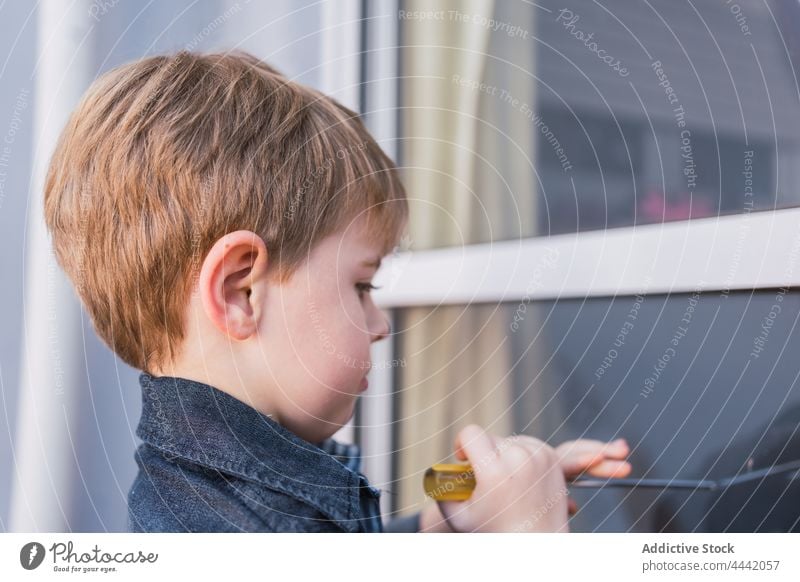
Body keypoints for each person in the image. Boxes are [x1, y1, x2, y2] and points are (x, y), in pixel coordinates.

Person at [43, 50, 631, 532]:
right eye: (361, 285)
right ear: (240, 292)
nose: (381, 322)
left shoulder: (240, 493)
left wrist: (449, 520)